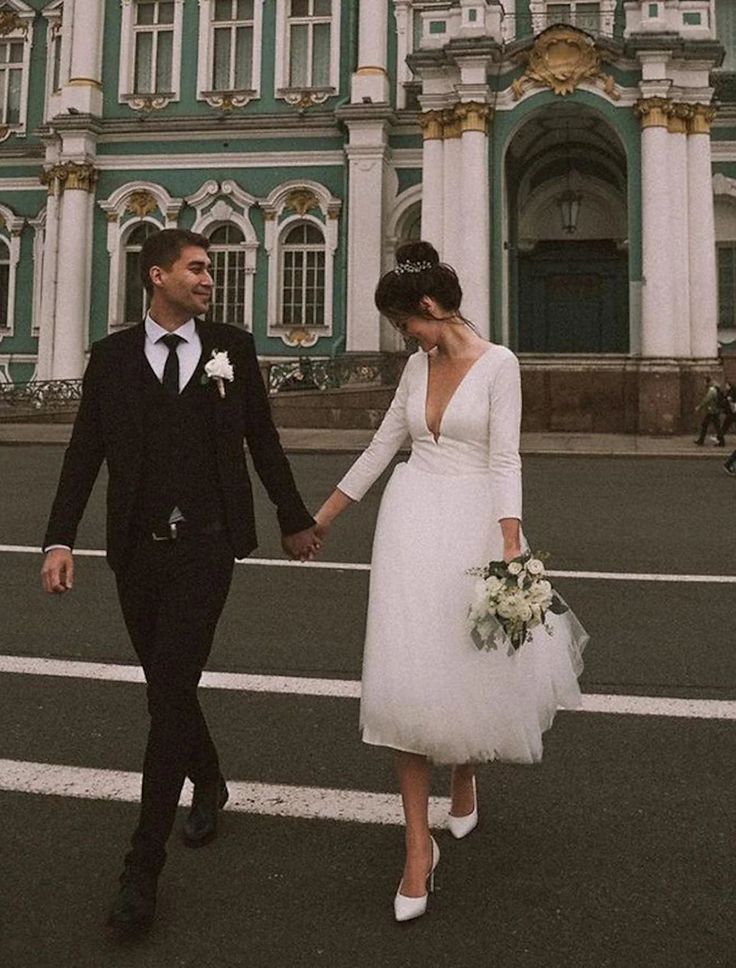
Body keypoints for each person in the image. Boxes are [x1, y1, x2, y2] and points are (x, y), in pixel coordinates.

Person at [41, 229, 319, 935]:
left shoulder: (232, 348)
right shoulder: (108, 360)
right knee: (168, 684)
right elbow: (84, 452)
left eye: (210, 269)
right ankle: (211, 778)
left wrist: (293, 517)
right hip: (136, 550)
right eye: (197, 268)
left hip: (207, 546)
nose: (209, 278)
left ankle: (142, 870)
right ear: (157, 276)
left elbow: (262, 438)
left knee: (166, 692)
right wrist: (58, 537)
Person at [313, 241, 588, 923]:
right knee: (407, 676)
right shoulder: (415, 367)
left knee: (465, 667)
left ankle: (465, 774)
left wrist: (508, 541)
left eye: (407, 324)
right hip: (410, 521)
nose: (405, 337)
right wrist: (319, 519)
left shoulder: (500, 365)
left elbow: (507, 456)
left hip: (472, 524)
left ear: (431, 308)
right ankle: (417, 847)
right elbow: (383, 445)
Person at [694, 375, 725, 446]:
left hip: (713, 411)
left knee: (714, 426)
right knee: (708, 425)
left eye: (704, 381)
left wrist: (699, 406)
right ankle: (701, 440)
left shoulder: (712, 389)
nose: (703, 383)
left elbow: (707, 399)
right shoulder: (715, 387)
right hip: (714, 410)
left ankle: (721, 442)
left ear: (707, 381)